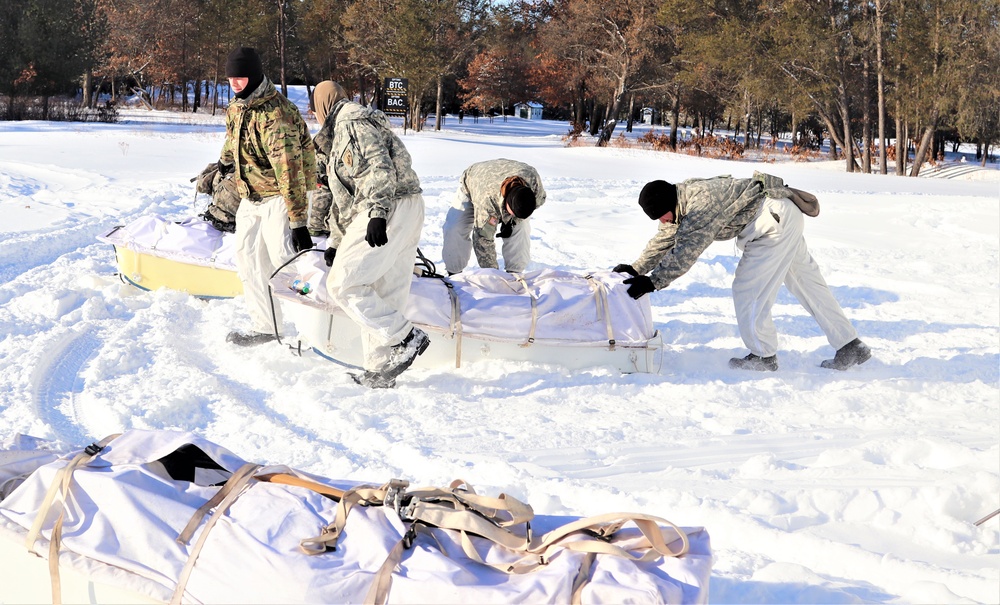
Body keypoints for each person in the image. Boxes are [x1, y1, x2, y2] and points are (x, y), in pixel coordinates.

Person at [613, 172, 871, 372]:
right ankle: (850, 345)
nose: (662, 221)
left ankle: (763, 356)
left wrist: (654, 281)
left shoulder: (701, 205)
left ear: (668, 203)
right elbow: (667, 237)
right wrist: (637, 268)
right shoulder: (681, 199)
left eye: (661, 215)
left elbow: (687, 251)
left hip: (771, 224)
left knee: (748, 289)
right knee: (806, 283)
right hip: (781, 215)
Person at [314, 82, 428, 389]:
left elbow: (379, 166)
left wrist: (378, 212)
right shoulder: (341, 130)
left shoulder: (350, 121)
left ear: (324, 104)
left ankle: (405, 336)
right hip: (407, 204)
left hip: (386, 206)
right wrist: (336, 242)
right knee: (383, 290)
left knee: (343, 284)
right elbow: (343, 198)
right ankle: (380, 371)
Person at [218, 47, 317, 347]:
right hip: (253, 195)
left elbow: (290, 171)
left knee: (285, 261)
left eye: (241, 76)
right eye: (231, 78)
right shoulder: (237, 106)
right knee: (248, 260)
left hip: (283, 194)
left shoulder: (277, 115)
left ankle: (316, 320)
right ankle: (266, 327)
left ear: (256, 74)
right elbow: (232, 139)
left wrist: (298, 221)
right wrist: (223, 161)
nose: (236, 83)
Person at [441, 159, 545, 275]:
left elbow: (539, 201)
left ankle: (515, 272)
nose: (513, 216)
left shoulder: (534, 183)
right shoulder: (486, 200)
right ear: (506, 202)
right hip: (474, 183)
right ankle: (453, 273)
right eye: (512, 213)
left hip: (506, 173)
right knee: (455, 227)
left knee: (520, 228)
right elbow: (482, 240)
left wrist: (513, 221)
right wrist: (493, 275)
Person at [307, 81, 348, 238]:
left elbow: (322, 187)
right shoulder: (360, 124)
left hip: (336, 228)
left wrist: (314, 228)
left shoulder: (326, 140)